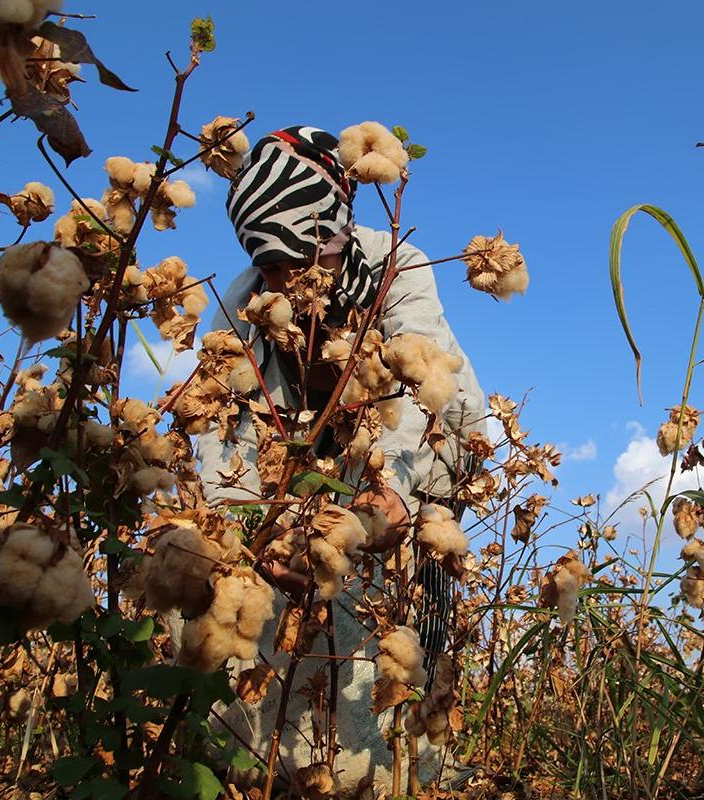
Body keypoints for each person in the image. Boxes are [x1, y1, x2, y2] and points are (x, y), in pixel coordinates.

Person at [195, 126, 486, 796]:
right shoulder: (242, 307)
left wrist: (390, 492)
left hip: (428, 457)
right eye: (269, 265)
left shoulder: (396, 268)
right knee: (302, 611)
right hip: (309, 465)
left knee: (418, 621)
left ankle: (422, 764)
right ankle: (282, 754)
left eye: (296, 263)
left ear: (331, 237)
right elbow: (222, 426)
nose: (284, 282)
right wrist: (246, 530)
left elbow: (424, 393)